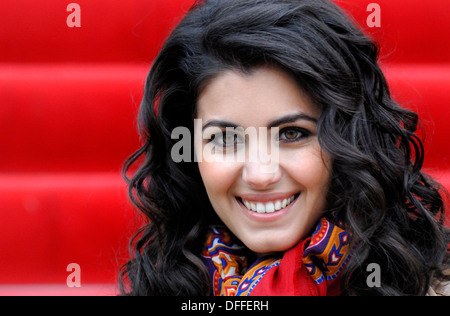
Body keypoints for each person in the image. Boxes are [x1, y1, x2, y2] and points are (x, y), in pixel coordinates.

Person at [119, 0, 449, 296]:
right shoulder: (165, 283)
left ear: (349, 139)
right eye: (225, 139)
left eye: (292, 134)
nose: (261, 174)